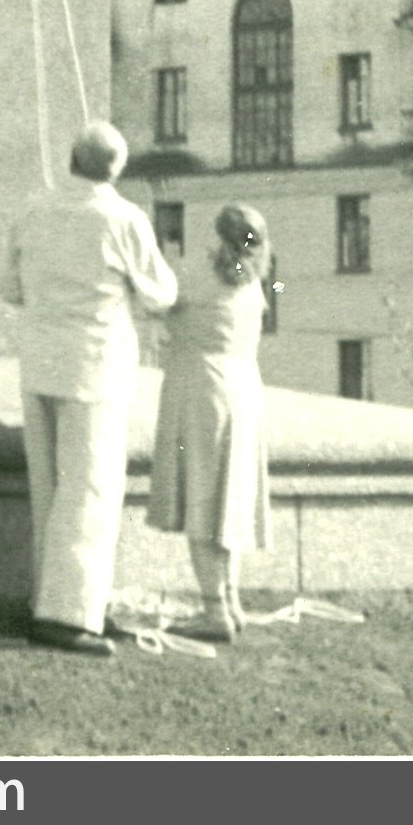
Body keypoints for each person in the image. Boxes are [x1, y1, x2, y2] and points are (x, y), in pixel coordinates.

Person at [2, 121, 179, 657]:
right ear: (116, 170)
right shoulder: (124, 218)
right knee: (91, 490)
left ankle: (52, 600)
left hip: (39, 364)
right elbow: (161, 294)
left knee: (50, 487)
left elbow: (9, 287)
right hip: (94, 368)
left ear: (71, 159)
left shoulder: (33, 211)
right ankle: (69, 614)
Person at [146, 200, 274, 641]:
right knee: (229, 503)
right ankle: (231, 599)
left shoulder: (191, 275)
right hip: (244, 388)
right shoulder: (254, 284)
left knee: (202, 500)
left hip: (200, 388)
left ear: (217, 236)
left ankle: (214, 609)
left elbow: (152, 299)